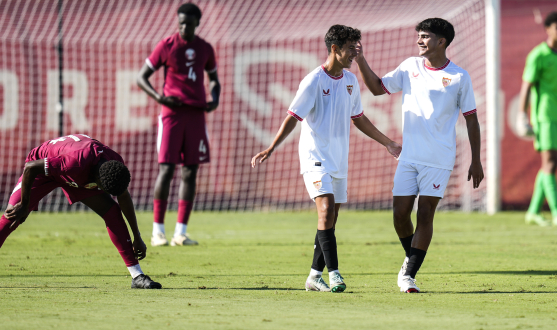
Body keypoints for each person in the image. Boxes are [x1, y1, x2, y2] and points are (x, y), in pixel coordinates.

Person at [251, 25, 401, 293]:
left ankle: (313, 276)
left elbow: (359, 119)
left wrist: (388, 142)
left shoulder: (351, 80)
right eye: (350, 48)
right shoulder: (313, 81)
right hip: (315, 157)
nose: (355, 53)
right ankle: (335, 275)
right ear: (335, 48)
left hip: (338, 160)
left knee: (329, 219)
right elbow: (292, 117)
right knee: (325, 210)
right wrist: (271, 148)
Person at [355, 18, 484, 292]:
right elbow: (378, 88)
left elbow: (471, 119)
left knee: (425, 213)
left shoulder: (460, 77)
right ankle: (411, 256)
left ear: (442, 42)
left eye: (425, 36)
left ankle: (409, 275)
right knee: (400, 214)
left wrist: (476, 159)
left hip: (440, 158)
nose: (419, 41)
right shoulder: (409, 66)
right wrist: (360, 60)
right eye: (419, 36)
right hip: (410, 157)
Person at [0, 134, 162, 289]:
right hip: (40, 169)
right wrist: (24, 204)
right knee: (12, 217)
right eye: (101, 187)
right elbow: (31, 167)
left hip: (77, 173)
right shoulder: (75, 162)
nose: (100, 191)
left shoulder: (115, 163)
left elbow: (123, 197)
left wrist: (137, 237)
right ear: (97, 179)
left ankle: (137, 276)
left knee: (112, 211)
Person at [137, 3, 220, 247]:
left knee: (190, 171)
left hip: (196, 115)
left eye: (189, 23)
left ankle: (180, 233)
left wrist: (214, 99)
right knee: (167, 169)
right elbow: (141, 77)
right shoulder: (167, 45)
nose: (184, 27)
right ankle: (157, 232)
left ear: (197, 23)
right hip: (171, 115)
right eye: (180, 22)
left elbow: (214, 80)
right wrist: (160, 98)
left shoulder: (205, 48)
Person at [519, 12, 557, 227]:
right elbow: (527, 87)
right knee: (550, 165)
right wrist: (522, 115)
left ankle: (533, 212)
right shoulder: (539, 55)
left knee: (550, 166)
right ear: (548, 29)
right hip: (545, 117)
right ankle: (556, 212)